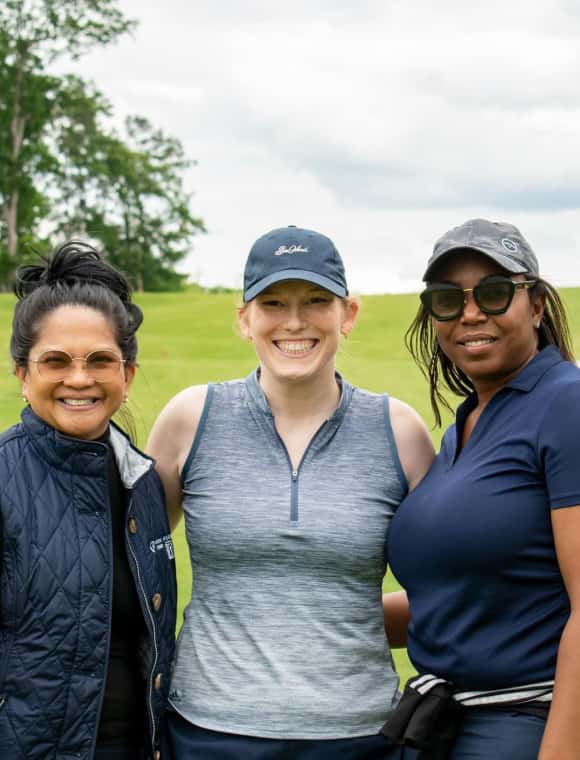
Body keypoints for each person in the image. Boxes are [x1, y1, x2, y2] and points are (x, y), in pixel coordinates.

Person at [147, 225, 434, 759]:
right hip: (208, 733)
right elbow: (134, 566)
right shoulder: (191, 419)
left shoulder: (401, 432)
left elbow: (447, 589)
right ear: (244, 319)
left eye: (316, 301)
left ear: (348, 314)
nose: (295, 321)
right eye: (273, 302)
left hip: (359, 736)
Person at [385, 218, 580, 759]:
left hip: (524, 726)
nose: (470, 313)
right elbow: (461, 596)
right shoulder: (463, 429)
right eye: (447, 299)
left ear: (537, 306)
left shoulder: (567, 405)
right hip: (442, 726)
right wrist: (309, 614)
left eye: (494, 293)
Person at [0, 242, 177, 760]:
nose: (79, 378)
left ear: (128, 374)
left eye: (100, 360)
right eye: (56, 360)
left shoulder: (142, 482)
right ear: (22, 373)